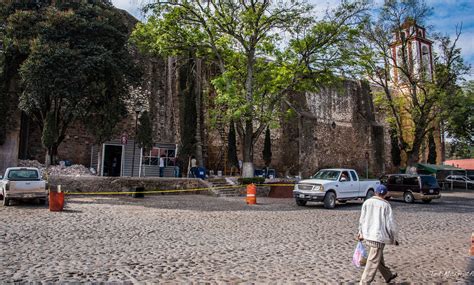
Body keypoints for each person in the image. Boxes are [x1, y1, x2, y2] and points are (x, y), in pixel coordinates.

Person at [358, 184, 398, 284]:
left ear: (375, 193)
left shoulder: (367, 202)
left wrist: (360, 233)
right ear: (385, 194)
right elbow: (390, 224)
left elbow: (361, 220)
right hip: (378, 237)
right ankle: (364, 282)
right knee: (373, 261)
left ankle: (387, 275)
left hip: (368, 235)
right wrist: (394, 238)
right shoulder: (386, 205)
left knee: (377, 257)